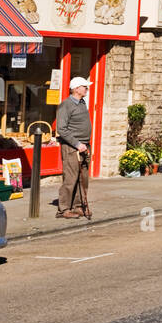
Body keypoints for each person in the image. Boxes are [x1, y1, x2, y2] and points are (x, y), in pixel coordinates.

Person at [55, 76, 93, 219]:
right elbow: (62, 129)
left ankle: (79, 206)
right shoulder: (66, 105)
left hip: (84, 145)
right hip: (72, 147)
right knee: (70, 178)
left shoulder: (82, 103)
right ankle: (63, 209)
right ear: (77, 89)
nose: (87, 89)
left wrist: (84, 144)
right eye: (85, 87)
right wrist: (77, 144)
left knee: (83, 178)